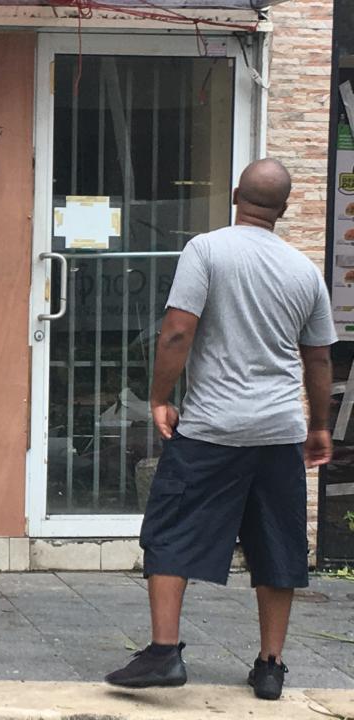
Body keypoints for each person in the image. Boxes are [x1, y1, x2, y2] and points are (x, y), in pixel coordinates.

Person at [105, 159, 336, 701]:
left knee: (170, 528)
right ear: (283, 208)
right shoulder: (304, 271)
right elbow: (320, 359)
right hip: (279, 430)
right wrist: (319, 426)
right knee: (278, 543)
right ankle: (270, 665)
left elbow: (177, 332)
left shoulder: (206, 250)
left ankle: (164, 653)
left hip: (212, 427)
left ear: (236, 195)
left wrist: (160, 398)